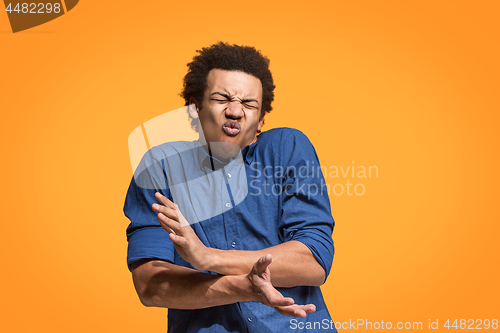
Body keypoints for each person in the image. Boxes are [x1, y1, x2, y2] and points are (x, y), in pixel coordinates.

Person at [124, 42, 336, 332]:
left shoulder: (287, 148)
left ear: (261, 119)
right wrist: (245, 287)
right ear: (194, 108)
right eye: (222, 98)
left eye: (249, 104)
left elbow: (313, 262)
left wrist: (208, 257)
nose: (235, 111)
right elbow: (151, 285)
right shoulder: (160, 166)